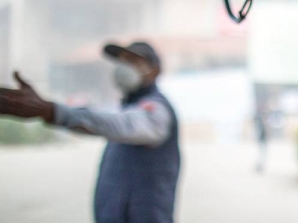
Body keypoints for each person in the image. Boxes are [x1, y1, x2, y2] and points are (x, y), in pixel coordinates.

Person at [0, 42, 180, 223]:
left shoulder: (156, 110)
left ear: (154, 71)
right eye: (123, 61)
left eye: (134, 61)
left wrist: (49, 110)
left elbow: (120, 124)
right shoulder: (126, 107)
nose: (125, 68)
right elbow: (97, 115)